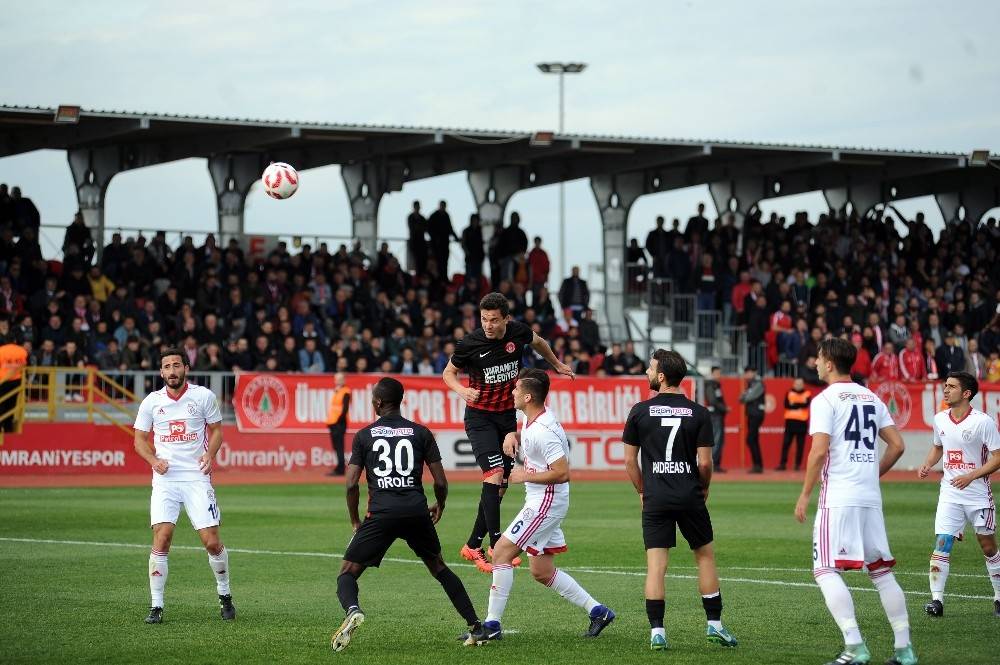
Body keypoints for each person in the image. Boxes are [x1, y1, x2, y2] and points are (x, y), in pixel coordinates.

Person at [465, 369, 616, 644]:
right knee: (542, 571)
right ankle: (599, 611)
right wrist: (515, 436)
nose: (511, 393)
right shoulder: (533, 419)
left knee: (500, 553)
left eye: (515, 389)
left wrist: (525, 475)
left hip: (545, 500)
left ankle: (492, 625)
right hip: (546, 499)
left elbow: (562, 472)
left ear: (528, 396)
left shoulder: (542, 431)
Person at [331, 377, 482, 652]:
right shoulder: (421, 433)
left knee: (347, 573)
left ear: (378, 402)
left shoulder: (364, 435)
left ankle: (353, 610)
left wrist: (355, 520)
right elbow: (440, 482)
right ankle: (475, 625)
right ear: (399, 402)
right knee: (438, 567)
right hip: (416, 511)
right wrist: (440, 504)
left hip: (381, 514)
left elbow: (351, 483)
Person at [794, 338, 916, 665]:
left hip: (838, 497)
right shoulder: (871, 396)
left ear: (830, 363)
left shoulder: (824, 399)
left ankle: (855, 646)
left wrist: (805, 494)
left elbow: (819, 451)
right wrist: (871, 475)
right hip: (868, 497)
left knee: (824, 569)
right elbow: (898, 446)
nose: (815, 364)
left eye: (818, 358)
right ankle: (904, 650)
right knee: (880, 572)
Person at [442, 292, 574, 573]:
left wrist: (557, 365)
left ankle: (472, 545)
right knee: (494, 475)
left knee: (499, 487)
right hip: (479, 418)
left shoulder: (518, 333)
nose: (488, 325)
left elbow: (540, 343)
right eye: (484, 319)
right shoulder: (470, 344)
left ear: (506, 319)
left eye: (493, 320)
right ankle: (495, 543)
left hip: (506, 419)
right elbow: (448, 374)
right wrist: (463, 390)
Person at [622, 349, 738, 651]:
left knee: (656, 566)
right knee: (704, 557)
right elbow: (704, 464)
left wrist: (642, 491)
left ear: (661, 376)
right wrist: (704, 487)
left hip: (656, 498)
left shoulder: (639, 411)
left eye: (650, 368)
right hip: (690, 495)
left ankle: (657, 633)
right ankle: (715, 626)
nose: (647, 373)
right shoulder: (699, 413)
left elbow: (630, 462)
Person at [132, 348, 234, 625]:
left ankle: (224, 594)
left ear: (186, 368)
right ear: (161, 372)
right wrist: (154, 460)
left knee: (211, 542)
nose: (172, 370)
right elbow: (139, 439)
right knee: (162, 538)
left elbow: (216, 432)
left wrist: (209, 455)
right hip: (165, 479)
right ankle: (156, 605)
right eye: (167, 366)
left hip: (196, 476)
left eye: (177, 365)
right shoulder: (151, 402)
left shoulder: (203, 396)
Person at [917, 371, 1000, 618]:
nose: (945, 390)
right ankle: (936, 601)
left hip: (977, 495)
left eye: (951, 387)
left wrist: (971, 476)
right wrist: (928, 463)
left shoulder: (983, 422)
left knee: (987, 547)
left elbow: (998, 458)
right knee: (943, 542)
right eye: (945, 385)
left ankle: (998, 597)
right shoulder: (940, 419)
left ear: (966, 394)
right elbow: (938, 447)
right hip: (950, 493)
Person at [778, 377, 811, 471]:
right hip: (790, 423)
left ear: (803, 385)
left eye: (800, 384)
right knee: (786, 444)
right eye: (797, 384)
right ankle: (782, 464)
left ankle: (797, 465)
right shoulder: (789, 393)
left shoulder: (807, 393)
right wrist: (799, 404)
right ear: (794, 384)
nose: (798, 386)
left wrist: (794, 404)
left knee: (800, 445)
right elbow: (787, 405)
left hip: (802, 423)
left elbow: (806, 405)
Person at [738, 366, 765, 473]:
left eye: (748, 372)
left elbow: (747, 397)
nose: (747, 375)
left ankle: (758, 465)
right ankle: (758, 465)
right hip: (752, 414)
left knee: (751, 439)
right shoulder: (752, 383)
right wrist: (745, 396)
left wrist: (745, 396)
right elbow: (742, 398)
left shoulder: (758, 383)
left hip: (756, 414)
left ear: (754, 372)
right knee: (753, 439)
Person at [325, 372, 351, 476]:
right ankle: (339, 466)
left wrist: (338, 421)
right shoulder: (337, 391)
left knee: (339, 446)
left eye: (340, 379)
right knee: (336, 446)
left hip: (339, 423)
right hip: (333, 422)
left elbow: (345, 409)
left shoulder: (346, 391)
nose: (337, 381)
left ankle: (340, 469)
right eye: (336, 379)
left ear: (344, 380)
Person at [704, 366, 728, 472]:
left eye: (720, 373)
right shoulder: (710, 385)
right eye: (717, 373)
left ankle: (716, 464)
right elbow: (712, 401)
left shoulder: (716, 385)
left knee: (719, 440)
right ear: (712, 374)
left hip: (717, 415)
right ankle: (712, 464)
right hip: (715, 416)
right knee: (716, 440)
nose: (719, 375)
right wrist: (724, 408)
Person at [427, 200, 460, 279]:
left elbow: (450, 228)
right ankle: (437, 278)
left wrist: (456, 238)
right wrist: (434, 238)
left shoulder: (446, 216)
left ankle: (444, 278)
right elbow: (429, 228)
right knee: (437, 262)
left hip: (444, 243)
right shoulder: (434, 216)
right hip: (436, 245)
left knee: (444, 262)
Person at [0, 340, 27, 432]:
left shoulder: (1, 350)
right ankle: (8, 428)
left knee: (1, 404)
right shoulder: (22, 351)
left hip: (3, 381)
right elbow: (25, 364)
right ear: (15, 341)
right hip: (17, 381)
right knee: (11, 405)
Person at [461, 214, 485, 281]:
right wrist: (467, 253)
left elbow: (482, 244)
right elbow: (463, 244)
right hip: (470, 259)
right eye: (474, 220)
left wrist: (482, 255)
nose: (475, 222)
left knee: (478, 278)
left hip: (478, 258)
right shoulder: (466, 231)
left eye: (476, 220)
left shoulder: (480, 231)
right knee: (469, 278)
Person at [407, 201, 428, 274]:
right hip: (414, 242)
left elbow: (425, 228)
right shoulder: (411, 217)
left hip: (421, 242)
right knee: (416, 261)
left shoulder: (422, 218)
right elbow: (413, 228)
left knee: (422, 261)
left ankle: (421, 275)